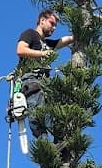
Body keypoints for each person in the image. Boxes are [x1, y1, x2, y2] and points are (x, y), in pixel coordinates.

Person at [15, 9, 73, 137]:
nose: (54, 28)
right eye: (52, 23)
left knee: (55, 114)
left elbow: (62, 41)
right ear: (42, 20)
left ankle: (60, 146)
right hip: (31, 79)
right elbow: (20, 49)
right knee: (38, 114)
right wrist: (42, 53)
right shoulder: (30, 33)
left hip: (45, 83)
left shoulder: (46, 43)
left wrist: (77, 36)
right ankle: (45, 146)